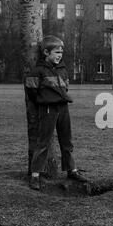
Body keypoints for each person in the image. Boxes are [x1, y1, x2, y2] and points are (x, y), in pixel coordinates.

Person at [24, 35, 87, 190]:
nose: (59, 55)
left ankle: (71, 170)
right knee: (43, 142)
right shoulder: (38, 70)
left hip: (63, 108)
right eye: (56, 52)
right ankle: (35, 175)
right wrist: (43, 100)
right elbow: (31, 90)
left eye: (61, 53)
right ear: (46, 52)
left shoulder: (62, 69)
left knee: (67, 141)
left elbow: (65, 86)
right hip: (47, 109)